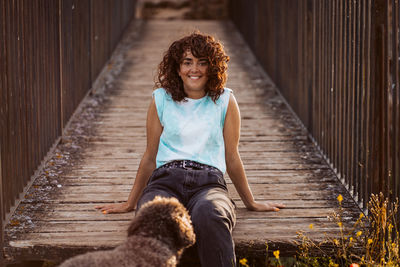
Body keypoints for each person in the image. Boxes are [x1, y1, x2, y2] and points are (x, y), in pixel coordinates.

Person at [95, 32, 285, 267]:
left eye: (202, 62)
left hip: (209, 183)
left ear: (212, 67)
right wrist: (130, 202)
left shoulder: (225, 100)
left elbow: (232, 157)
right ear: (177, 67)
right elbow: (150, 156)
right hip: (165, 180)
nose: (194, 69)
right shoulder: (161, 98)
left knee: (210, 213)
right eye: (187, 62)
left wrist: (251, 202)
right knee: (153, 217)